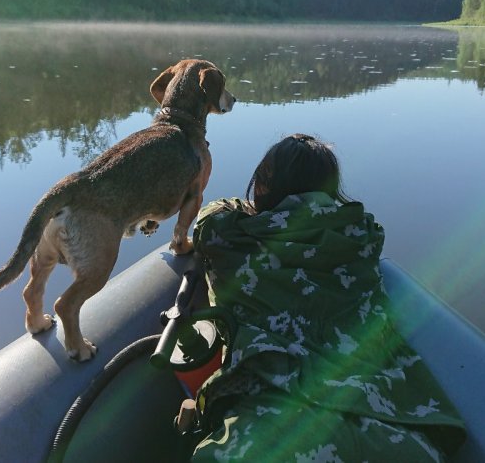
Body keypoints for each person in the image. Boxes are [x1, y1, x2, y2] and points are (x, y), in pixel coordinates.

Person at [189, 134, 466, 461]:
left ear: (262, 185)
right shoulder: (361, 239)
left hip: (278, 421)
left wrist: (253, 209)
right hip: (395, 425)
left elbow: (208, 217)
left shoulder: (233, 235)